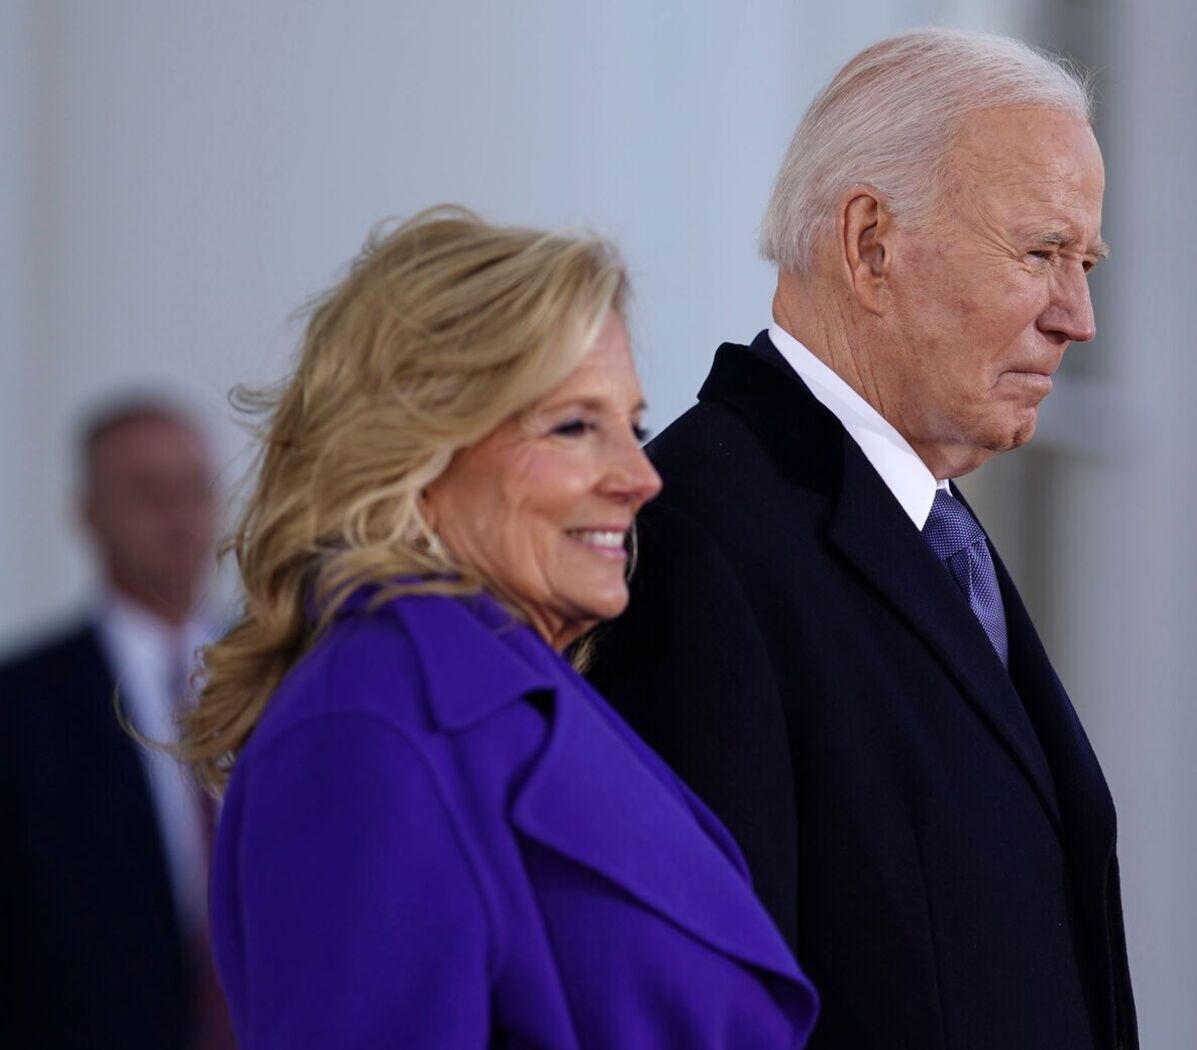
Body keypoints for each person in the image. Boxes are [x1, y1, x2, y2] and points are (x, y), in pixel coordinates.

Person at [589, 29, 1135, 1050]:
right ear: (871, 244)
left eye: (1087, 262)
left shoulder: (929, 523)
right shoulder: (697, 545)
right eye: (1041, 254)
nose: (1078, 316)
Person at [180, 207, 815, 1048]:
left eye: (632, 427)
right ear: (416, 450)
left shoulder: (522, 704)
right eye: (575, 426)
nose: (640, 477)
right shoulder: (363, 730)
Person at [0, 399, 233, 1049]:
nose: (178, 514)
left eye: (195, 488)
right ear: (88, 513)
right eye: (147, 492)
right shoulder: (21, 705)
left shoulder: (284, 677)